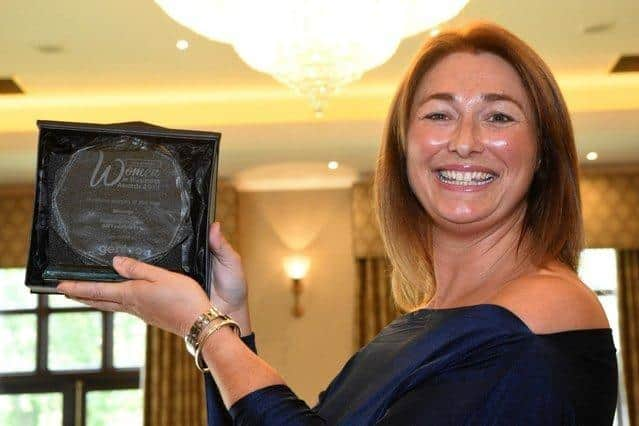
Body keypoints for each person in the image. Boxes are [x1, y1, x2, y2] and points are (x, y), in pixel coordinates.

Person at [57, 21, 618, 425]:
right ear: (403, 147)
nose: (465, 142)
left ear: (542, 151)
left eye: (498, 116)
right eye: (439, 114)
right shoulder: (428, 318)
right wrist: (228, 315)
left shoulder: (543, 315)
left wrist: (206, 330)